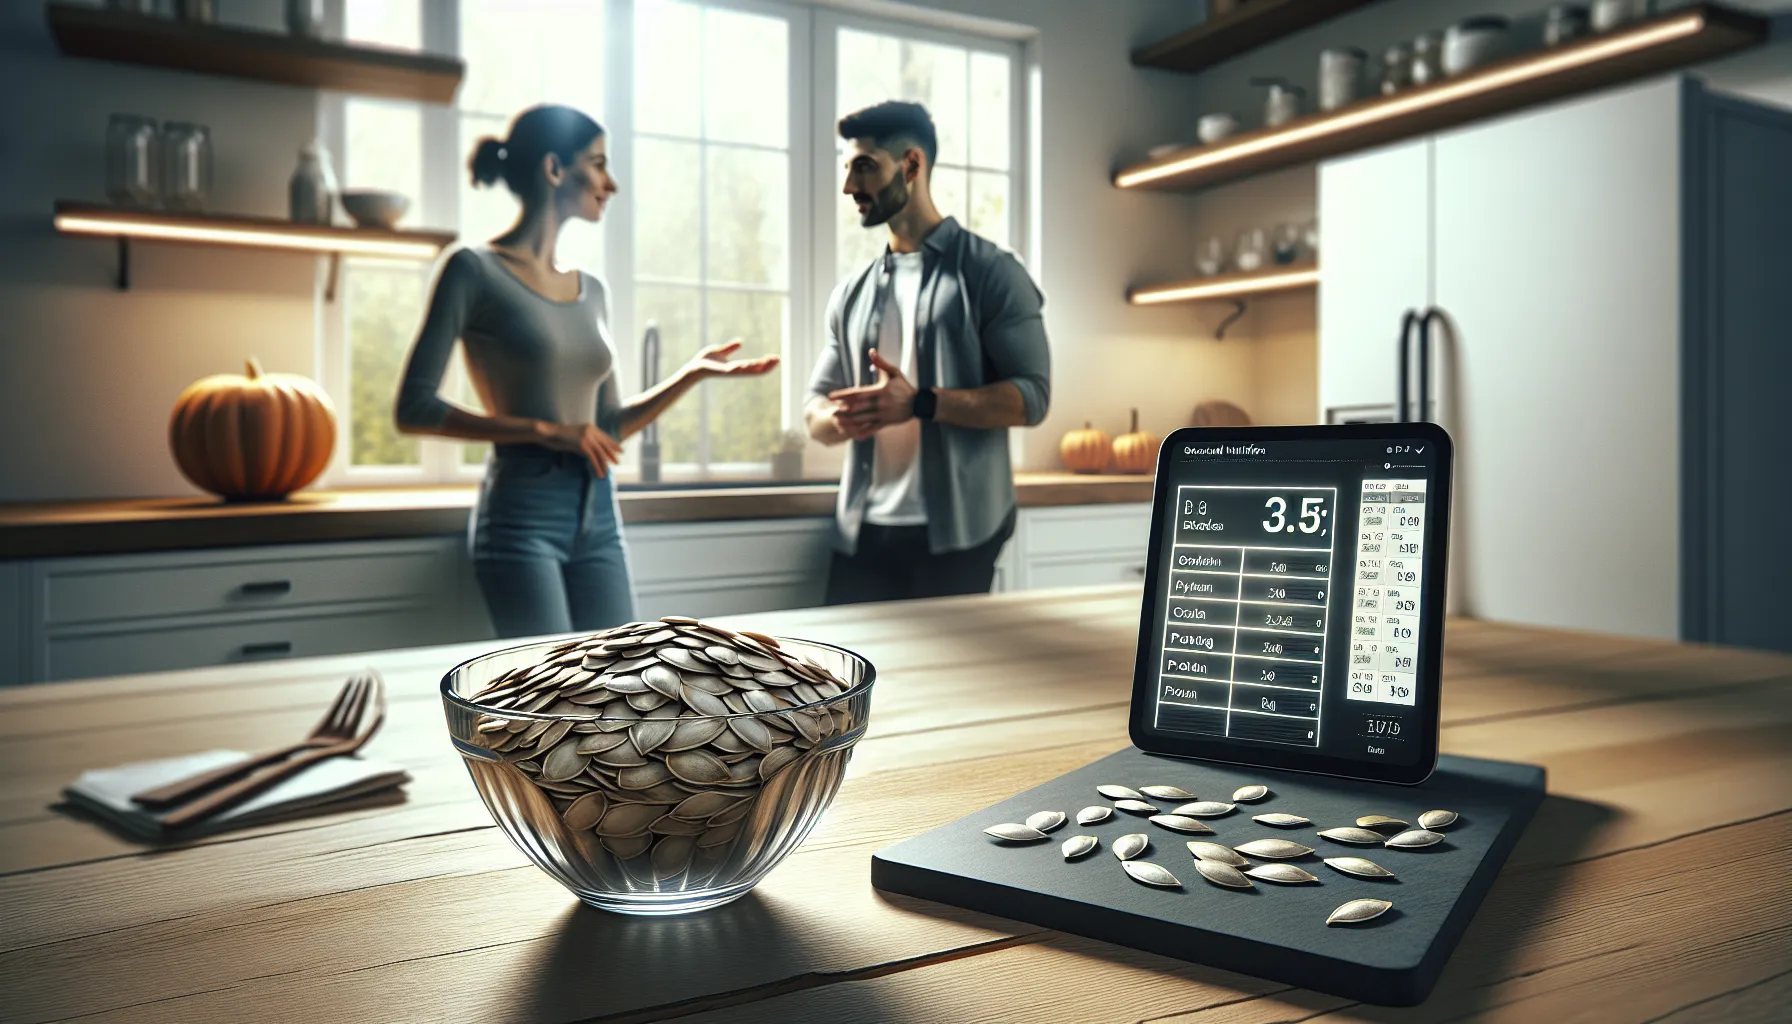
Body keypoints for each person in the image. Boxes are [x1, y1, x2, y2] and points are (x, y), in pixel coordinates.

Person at [394, 104, 778, 638]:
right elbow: (414, 407)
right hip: (521, 516)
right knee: (545, 702)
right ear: (554, 169)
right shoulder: (471, 270)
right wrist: (546, 430)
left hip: (599, 513)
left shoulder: (592, 290)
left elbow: (610, 425)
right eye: (598, 163)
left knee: (622, 687)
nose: (610, 183)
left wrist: (691, 374)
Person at [805, 100, 1051, 605]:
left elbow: (1033, 397)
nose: (850, 186)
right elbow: (815, 408)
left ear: (911, 165)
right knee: (841, 682)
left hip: (960, 535)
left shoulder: (992, 273)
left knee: (945, 686)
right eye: (848, 168)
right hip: (863, 532)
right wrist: (842, 419)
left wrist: (920, 403)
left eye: (865, 166)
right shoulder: (851, 292)